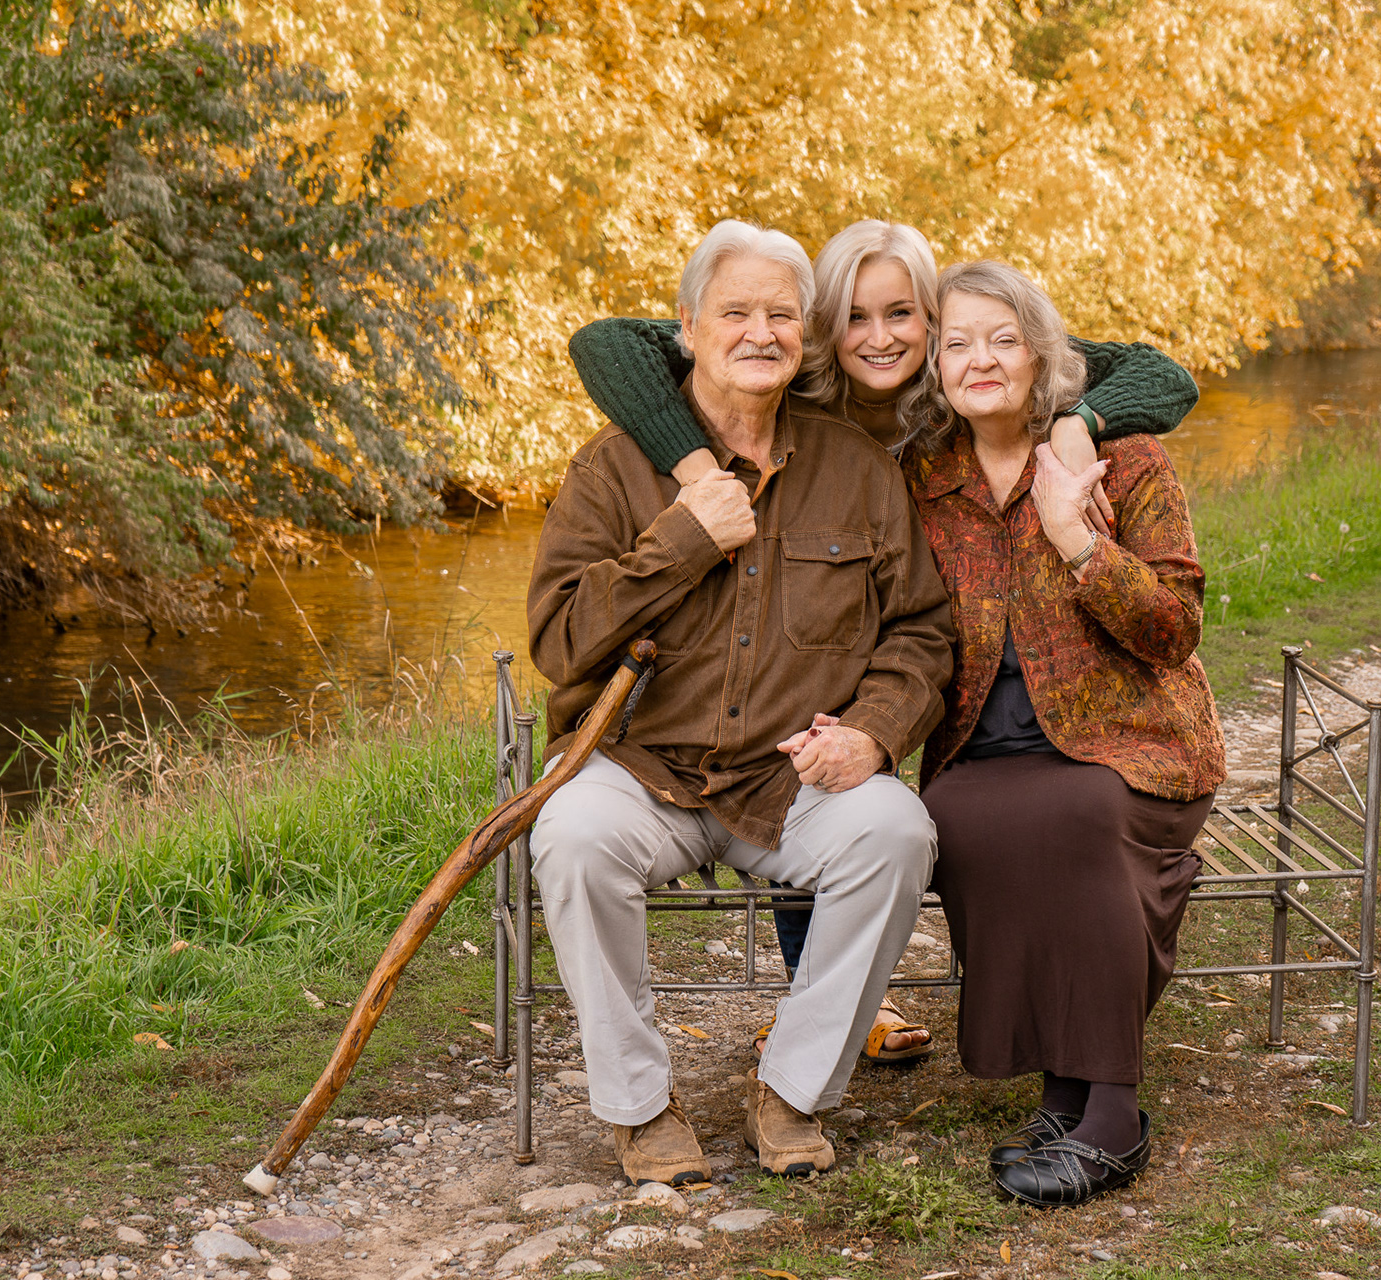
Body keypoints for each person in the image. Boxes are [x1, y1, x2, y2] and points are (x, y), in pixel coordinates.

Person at [567, 220, 1200, 1061]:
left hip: (919, 594)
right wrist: (697, 472)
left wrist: (1078, 421)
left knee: (875, 761)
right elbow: (608, 343)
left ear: (932, 320)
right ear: (822, 325)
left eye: (901, 314)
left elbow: (1161, 374)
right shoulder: (794, 376)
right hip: (811, 605)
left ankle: (864, 998)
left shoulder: (963, 366)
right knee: (803, 721)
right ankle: (823, 998)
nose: (879, 337)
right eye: (854, 317)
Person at [525, 220, 955, 1186]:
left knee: (895, 832)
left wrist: (873, 734)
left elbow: (922, 631)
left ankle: (792, 1090)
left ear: (805, 334)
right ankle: (641, 1109)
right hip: (642, 770)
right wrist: (682, 536)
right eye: (735, 313)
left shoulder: (858, 466)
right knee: (574, 837)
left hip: (791, 778)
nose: (760, 332)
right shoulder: (613, 467)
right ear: (687, 327)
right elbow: (557, 640)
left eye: (780, 315)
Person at [904, 261, 1227, 1208]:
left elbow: (1175, 630)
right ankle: (1063, 1092)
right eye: (958, 343)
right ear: (934, 365)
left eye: (1003, 339)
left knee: (1076, 811)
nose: (981, 360)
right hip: (985, 753)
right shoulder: (924, 478)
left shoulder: (1126, 460)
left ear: (1044, 355)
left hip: (1134, 746)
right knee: (959, 816)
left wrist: (1080, 543)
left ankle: (1110, 1117)